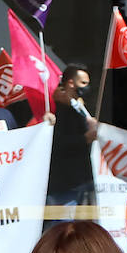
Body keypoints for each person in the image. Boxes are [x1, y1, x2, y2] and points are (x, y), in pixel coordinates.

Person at [44, 65, 99, 209]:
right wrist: (86, 138)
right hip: (65, 183)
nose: (87, 88)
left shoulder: (80, 109)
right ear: (70, 83)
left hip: (83, 180)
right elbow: (58, 144)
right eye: (83, 83)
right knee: (64, 228)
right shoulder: (57, 111)